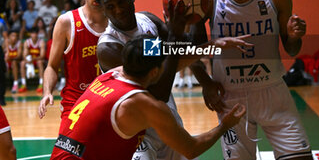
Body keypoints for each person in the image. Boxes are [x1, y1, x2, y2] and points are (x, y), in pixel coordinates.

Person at [94, 0, 252, 160]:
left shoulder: (148, 20)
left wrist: (196, 16)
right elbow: (157, 92)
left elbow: (186, 48)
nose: (119, 10)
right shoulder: (109, 48)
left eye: (122, 1)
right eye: (110, 6)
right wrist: (175, 36)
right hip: (137, 133)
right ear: (102, 10)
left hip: (167, 120)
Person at [198, 0, 311, 160]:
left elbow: (291, 50)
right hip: (230, 97)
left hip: (273, 93)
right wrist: (206, 82)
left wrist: (294, 36)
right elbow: (192, 49)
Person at [50, 35, 246, 160]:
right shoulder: (145, 104)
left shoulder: (108, 76)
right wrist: (224, 125)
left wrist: (212, 46)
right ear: (154, 72)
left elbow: (171, 60)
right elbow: (191, 149)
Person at [37, 0, 107, 133]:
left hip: (109, 102)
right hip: (76, 103)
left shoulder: (117, 21)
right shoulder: (66, 22)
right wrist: (47, 92)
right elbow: (52, 66)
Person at [20, 27, 46, 93]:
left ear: (37, 34)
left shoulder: (41, 42)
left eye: (35, 33)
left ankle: (41, 84)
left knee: (40, 62)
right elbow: (24, 55)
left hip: (38, 60)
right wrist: (27, 60)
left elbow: (42, 56)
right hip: (31, 60)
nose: (34, 35)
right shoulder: (27, 42)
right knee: (22, 63)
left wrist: (33, 59)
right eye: (32, 33)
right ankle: (23, 84)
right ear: (30, 34)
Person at [0, 21, 7, 105]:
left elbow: (5, 37)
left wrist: (7, 50)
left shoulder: (1, 21)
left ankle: (1, 97)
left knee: (1, 73)